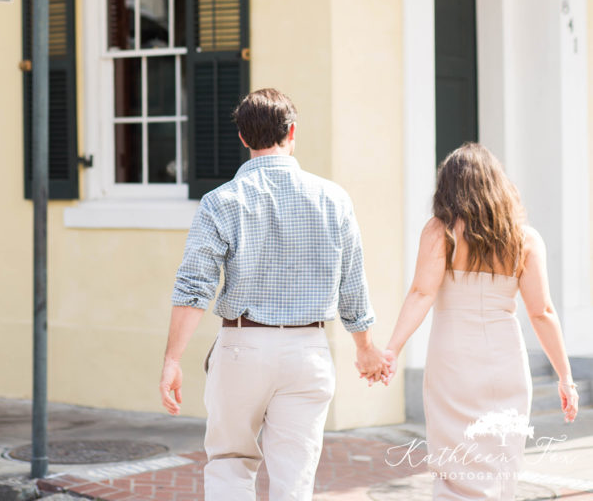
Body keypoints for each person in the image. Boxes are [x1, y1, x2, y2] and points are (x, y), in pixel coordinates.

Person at [159, 87, 388, 501]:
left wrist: (172, 360)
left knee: (230, 463)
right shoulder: (334, 199)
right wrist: (366, 349)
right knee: (295, 479)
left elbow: (194, 286)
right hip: (308, 351)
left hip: (243, 347)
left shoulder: (220, 202)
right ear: (292, 132)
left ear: (244, 138)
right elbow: (352, 284)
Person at [380, 142, 578, 500]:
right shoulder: (526, 240)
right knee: (501, 469)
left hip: (453, 363)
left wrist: (392, 349)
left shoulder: (440, 232)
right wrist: (565, 378)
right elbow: (542, 312)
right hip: (506, 363)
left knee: (455, 466)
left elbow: (420, 294)